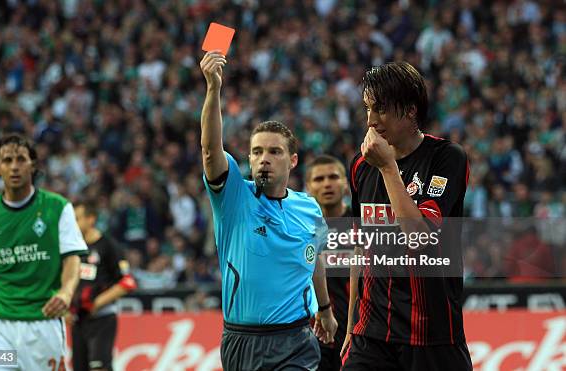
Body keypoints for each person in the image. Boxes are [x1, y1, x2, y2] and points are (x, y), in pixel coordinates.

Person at [199, 51, 337, 370]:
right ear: (248, 158)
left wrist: (326, 308)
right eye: (257, 151)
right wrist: (213, 88)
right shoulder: (234, 197)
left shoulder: (309, 207)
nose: (264, 158)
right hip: (241, 340)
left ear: (292, 161)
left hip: (296, 339)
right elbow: (209, 151)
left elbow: (315, 258)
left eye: (274, 151)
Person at [341, 62, 473, 370]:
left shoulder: (446, 158)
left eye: (382, 109)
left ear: (411, 110)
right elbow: (360, 249)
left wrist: (388, 168)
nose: (371, 121)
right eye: (367, 109)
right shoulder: (360, 166)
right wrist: (351, 326)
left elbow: (419, 237)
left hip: (431, 336)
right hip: (371, 334)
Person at [0, 133, 88, 370]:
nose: (14, 167)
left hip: (42, 326)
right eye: (7, 161)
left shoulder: (58, 207)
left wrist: (65, 292)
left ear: (33, 165)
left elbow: (72, 258)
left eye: (21, 159)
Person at [71, 200, 138, 371]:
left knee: (99, 367)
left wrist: (97, 303)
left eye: (77, 218)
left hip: (102, 319)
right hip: (78, 320)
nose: (73, 224)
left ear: (91, 219)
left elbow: (127, 282)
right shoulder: (73, 248)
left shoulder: (108, 245)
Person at [305, 155, 356, 371]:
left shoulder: (363, 224)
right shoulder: (302, 229)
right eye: (319, 179)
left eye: (334, 177)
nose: (327, 183)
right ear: (309, 187)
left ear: (345, 183)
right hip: (315, 340)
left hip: (359, 337)